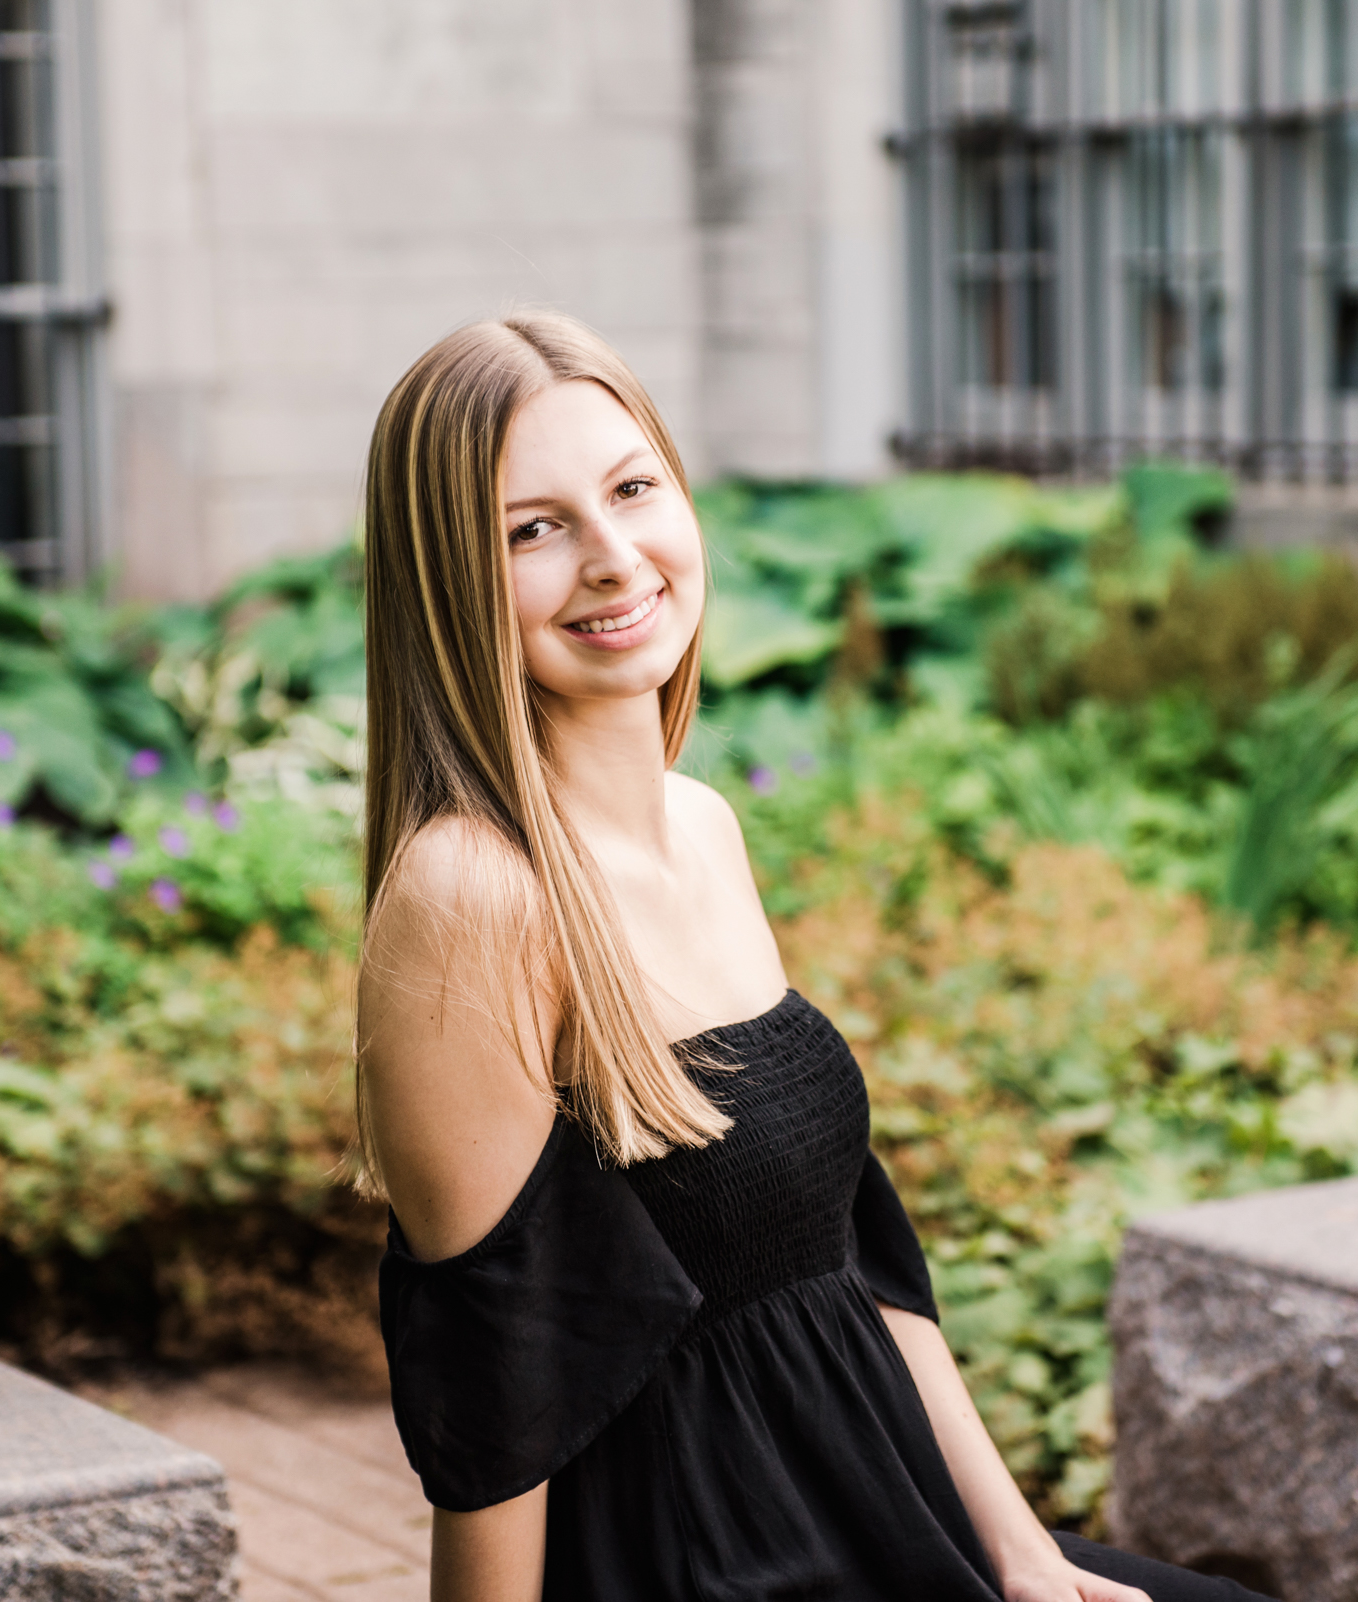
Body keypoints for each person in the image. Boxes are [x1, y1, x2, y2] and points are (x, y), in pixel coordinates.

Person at [353, 311, 1271, 1602]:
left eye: (632, 490)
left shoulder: (702, 824)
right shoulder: (473, 895)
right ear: (449, 578)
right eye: (532, 529)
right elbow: (496, 1397)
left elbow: (848, 1252)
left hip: (878, 1496)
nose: (614, 560)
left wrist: (1020, 1554)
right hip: (708, 1553)